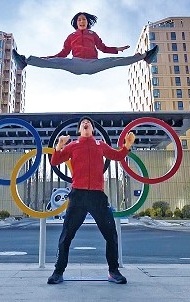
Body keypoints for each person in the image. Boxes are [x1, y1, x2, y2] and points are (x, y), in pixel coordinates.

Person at [47, 116, 135, 285]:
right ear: (80, 130)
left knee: (111, 235)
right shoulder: (73, 145)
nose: (85, 123)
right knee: (66, 236)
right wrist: (59, 145)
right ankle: (58, 272)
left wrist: (127, 145)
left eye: (88, 123)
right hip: (78, 195)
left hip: (97, 196)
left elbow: (117, 156)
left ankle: (113, 271)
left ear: (92, 130)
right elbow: (55, 160)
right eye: (82, 123)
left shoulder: (100, 145)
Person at [13, 12, 159, 75]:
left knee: (115, 61)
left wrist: (117, 49)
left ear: (87, 22)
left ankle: (145, 56)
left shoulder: (93, 34)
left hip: (92, 64)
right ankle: (25, 61)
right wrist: (48, 59)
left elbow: (103, 48)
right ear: (76, 23)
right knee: (56, 61)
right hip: (75, 63)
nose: (82, 21)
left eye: (84, 20)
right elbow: (63, 54)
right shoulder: (71, 36)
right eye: (79, 20)